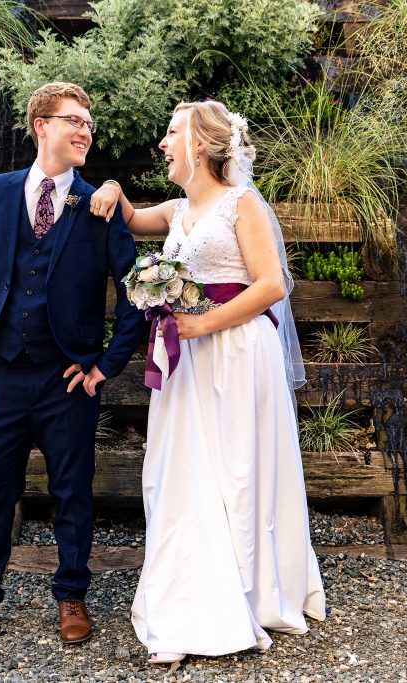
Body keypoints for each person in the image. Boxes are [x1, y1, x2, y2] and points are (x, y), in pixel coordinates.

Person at [89, 101, 326, 664]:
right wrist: (112, 184)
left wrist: (200, 324)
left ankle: (249, 589)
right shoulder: (176, 210)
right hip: (189, 360)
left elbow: (271, 286)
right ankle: (193, 591)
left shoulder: (242, 205)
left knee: (237, 467)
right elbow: (126, 217)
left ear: (199, 145)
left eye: (172, 134)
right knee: (188, 466)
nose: (163, 143)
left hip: (239, 351)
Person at [0, 82, 143, 646]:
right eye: (73, 120)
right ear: (41, 126)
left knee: (72, 490)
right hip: (1, 372)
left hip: (69, 378)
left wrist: (108, 362)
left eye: (89, 123)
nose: (85, 131)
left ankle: (71, 597)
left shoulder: (97, 204)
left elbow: (133, 289)